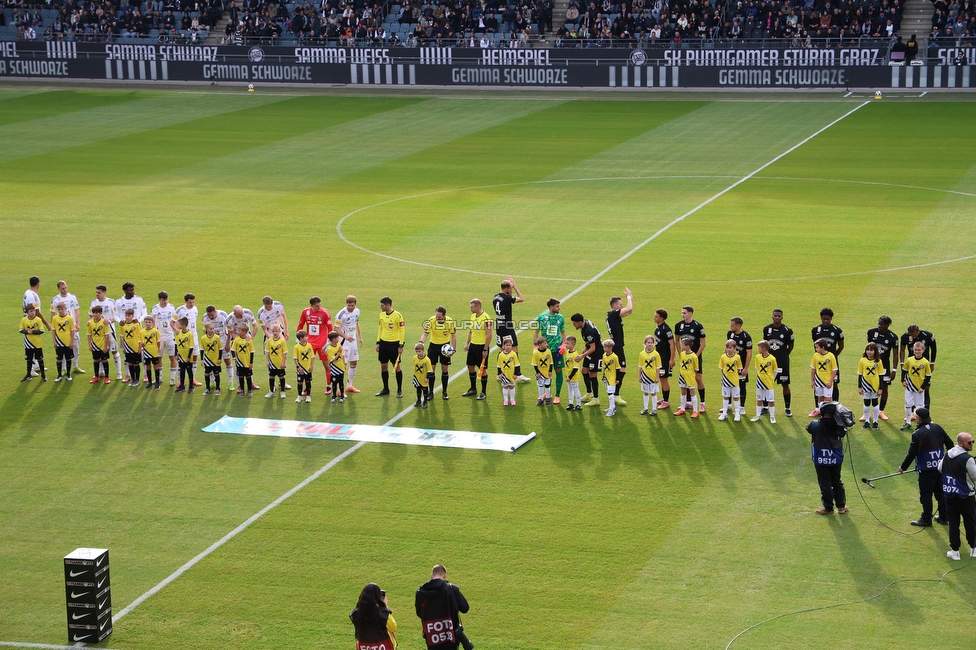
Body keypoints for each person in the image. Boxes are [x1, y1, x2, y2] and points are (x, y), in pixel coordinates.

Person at [898, 408, 952, 527]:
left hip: (926, 470)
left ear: (919, 419)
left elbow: (912, 453)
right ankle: (944, 517)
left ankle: (926, 519)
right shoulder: (937, 428)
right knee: (940, 493)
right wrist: (946, 461)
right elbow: (950, 444)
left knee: (926, 495)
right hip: (939, 468)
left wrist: (903, 467)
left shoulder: (917, 434)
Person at [938, 432, 976, 560]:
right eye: (969, 442)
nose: (971, 444)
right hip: (966, 496)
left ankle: (955, 551)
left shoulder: (948, 454)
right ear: (961, 443)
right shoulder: (968, 459)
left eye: (972, 442)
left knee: (954, 523)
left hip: (950, 495)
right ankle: (973, 549)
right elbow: (975, 476)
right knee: (970, 522)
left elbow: (939, 468)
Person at [806, 402, 848, 516]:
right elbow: (842, 433)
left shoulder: (815, 424)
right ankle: (841, 506)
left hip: (821, 458)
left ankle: (829, 508)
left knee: (825, 483)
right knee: (837, 481)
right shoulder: (839, 425)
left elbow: (809, 428)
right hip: (835, 458)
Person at [415, 564, 470, 650]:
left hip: (432, 637)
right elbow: (465, 608)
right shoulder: (451, 589)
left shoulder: (421, 593)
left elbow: (419, 613)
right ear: (444, 575)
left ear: (431, 576)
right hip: (450, 637)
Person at [420, 306, 457, 401]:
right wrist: (421, 343)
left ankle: (444, 392)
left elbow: (453, 335)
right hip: (433, 347)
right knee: (431, 370)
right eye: (436, 316)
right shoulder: (431, 320)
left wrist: (453, 348)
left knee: (444, 369)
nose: (437, 318)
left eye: (439, 317)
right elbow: (425, 334)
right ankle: (431, 392)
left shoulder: (449, 322)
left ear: (444, 315)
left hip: (445, 347)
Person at [298, 296, 333, 394]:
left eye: (320, 305)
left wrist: (328, 342)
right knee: (307, 366)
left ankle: (328, 386)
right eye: (317, 306)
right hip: (309, 344)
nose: (319, 307)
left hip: (322, 344)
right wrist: (298, 339)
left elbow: (330, 328)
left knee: (326, 365)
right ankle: (307, 388)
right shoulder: (305, 312)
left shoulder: (324, 312)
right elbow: (300, 325)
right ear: (311, 306)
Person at [762, 309, 794, 417]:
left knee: (785, 384)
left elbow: (791, 346)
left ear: (782, 317)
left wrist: (783, 355)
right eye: (775, 315)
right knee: (766, 384)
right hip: (769, 362)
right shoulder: (767, 329)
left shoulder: (787, 330)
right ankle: (765, 407)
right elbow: (765, 344)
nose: (777, 317)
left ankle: (787, 408)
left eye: (779, 316)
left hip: (782, 362)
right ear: (772, 316)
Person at [674, 306, 706, 412]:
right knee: (685, 377)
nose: (682, 315)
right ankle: (688, 402)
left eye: (685, 313)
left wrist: (695, 356)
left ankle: (702, 403)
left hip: (695, 356)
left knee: (698, 378)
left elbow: (703, 343)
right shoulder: (679, 325)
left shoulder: (698, 326)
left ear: (690, 314)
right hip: (685, 358)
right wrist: (680, 354)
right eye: (682, 313)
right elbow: (677, 341)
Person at [866, 315, 898, 421]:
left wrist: (894, 370)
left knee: (884, 388)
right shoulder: (871, 332)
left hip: (884, 368)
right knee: (868, 388)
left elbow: (895, 354)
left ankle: (880, 411)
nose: (879, 325)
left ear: (888, 325)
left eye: (882, 324)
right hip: (871, 366)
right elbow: (868, 350)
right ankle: (867, 412)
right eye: (879, 323)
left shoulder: (893, 337)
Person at [605, 289, 633, 405]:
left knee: (620, 370)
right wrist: (629, 297)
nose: (622, 306)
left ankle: (614, 392)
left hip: (617, 345)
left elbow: (629, 312)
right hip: (617, 346)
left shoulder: (613, 315)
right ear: (615, 305)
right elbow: (629, 308)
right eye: (620, 304)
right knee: (621, 369)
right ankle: (615, 394)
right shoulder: (613, 314)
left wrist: (630, 299)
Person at [536, 298, 566, 403]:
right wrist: (535, 346)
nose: (559, 308)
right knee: (545, 371)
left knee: (558, 371)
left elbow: (563, 332)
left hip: (557, 350)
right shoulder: (541, 318)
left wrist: (564, 345)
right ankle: (548, 393)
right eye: (557, 306)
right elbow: (536, 332)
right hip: (545, 350)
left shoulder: (561, 318)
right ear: (551, 307)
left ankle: (557, 395)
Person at [351, 583, 397, 650]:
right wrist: (385, 607)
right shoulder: (383, 613)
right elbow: (393, 627)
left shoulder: (356, 613)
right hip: (383, 646)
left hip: (363, 647)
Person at [900, 324, 937, 409]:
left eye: (913, 334)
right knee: (911, 389)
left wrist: (932, 363)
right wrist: (902, 362)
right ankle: (913, 413)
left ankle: (926, 412)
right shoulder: (905, 337)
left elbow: (934, 349)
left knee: (925, 388)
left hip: (924, 366)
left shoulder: (928, 336)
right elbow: (902, 350)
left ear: (918, 331)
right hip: (912, 366)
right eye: (910, 334)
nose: (912, 336)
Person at [811, 307, 844, 402]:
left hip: (832, 363)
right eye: (824, 319)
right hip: (819, 362)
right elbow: (815, 345)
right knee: (818, 384)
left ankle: (835, 405)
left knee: (834, 383)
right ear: (821, 318)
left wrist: (832, 356)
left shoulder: (837, 331)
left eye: (828, 319)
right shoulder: (815, 330)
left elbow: (841, 346)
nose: (826, 321)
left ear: (831, 319)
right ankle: (818, 408)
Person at [50, 280, 83, 374]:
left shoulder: (72, 297)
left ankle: (76, 365)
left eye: (65, 287)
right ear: (58, 289)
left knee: (76, 346)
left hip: (73, 326)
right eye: (62, 288)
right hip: (62, 328)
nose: (64, 290)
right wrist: (54, 327)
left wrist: (78, 323)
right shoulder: (55, 300)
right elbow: (52, 314)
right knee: (63, 347)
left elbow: (76, 311)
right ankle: (64, 368)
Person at [571, 313, 603, 407]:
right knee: (584, 371)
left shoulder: (589, 330)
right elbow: (588, 342)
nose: (574, 325)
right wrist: (584, 350)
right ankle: (589, 393)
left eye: (575, 323)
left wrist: (582, 356)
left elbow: (593, 347)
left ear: (580, 322)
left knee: (593, 375)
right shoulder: (583, 326)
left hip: (596, 353)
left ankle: (596, 398)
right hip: (590, 351)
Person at [116, 283, 147, 382]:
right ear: (125, 291)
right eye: (130, 290)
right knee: (126, 353)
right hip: (125, 329)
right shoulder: (119, 302)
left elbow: (145, 312)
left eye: (133, 290)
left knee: (141, 353)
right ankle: (128, 375)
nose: (132, 292)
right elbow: (115, 314)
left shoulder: (139, 299)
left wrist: (139, 320)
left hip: (137, 329)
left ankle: (145, 374)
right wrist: (119, 321)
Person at [462, 298, 492, 400]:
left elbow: (489, 335)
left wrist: (485, 349)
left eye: (472, 307)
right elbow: (471, 331)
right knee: (470, 366)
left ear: (478, 307)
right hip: (473, 346)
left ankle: (483, 392)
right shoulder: (472, 316)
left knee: (482, 369)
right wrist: (467, 343)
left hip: (481, 347)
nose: (470, 309)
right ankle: (473, 389)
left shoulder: (486, 318)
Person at [90, 284, 122, 381]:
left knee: (114, 350)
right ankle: (101, 372)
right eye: (96, 292)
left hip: (110, 331)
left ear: (104, 292)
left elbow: (117, 316)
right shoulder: (93, 303)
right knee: (98, 351)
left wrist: (110, 321)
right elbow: (90, 316)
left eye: (99, 292)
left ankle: (119, 372)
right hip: (97, 333)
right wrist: (89, 322)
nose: (97, 294)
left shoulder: (111, 302)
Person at [376, 296, 405, 398]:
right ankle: (385, 389)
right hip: (383, 343)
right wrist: (378, 342)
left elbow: (402, 330)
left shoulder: (398, 316)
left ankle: (399, 390)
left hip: (394, 344)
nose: (381, 307)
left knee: (396, 367)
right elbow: (380, 328)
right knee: (383, 366)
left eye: (382, 305)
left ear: (388, 305)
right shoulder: (381, 315)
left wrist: (401, 345)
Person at [226, 305, 259, 392]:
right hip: (236, 341)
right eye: (240, 315)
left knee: (248, 362)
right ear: (235, 314)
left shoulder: (248, 313)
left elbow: (255, 326)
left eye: (242, 314)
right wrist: (239, 340)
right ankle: (240, 386)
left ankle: (251, 382)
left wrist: (250, 337)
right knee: (238, 364)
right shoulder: (229, 320)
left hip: (247, 339)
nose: (242, 316)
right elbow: (231, 333)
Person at [901, 341, 932, 431]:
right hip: (909, 387)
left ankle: (920, 424)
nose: (917, 352)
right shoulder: (909, 360)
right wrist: (902, 380)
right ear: (913, 350)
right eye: (915, 350)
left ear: (923, 350)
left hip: (919, 388)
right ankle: (908, 422)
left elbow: (928, 376)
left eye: (919, 350)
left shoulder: (925, 362)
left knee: (919, 407)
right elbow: (904, 370)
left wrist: (923, 387)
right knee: (908, 404)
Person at [334, 296, 362, 393]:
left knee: (354, 362)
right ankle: (339, 390)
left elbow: (356, 323)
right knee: (343, 364)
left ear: (355, 304)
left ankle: (349, 386)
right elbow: (336, 328)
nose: (350, 307)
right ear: (346, 304)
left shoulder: (357, 311)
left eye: (352, 305)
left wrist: (360, 337)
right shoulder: (341, 314)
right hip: (344, 342)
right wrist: (346, 337)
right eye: (349, 305)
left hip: (352, 341)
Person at [152, 291, 179, 386]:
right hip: (159, 337)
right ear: (159, 299)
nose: (166, 301)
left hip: (170, 336)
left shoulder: (171, 308)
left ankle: (172, 378)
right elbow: (152, 322)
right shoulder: (155, 308)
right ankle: (159, 377)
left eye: (167, 299)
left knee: (173, 357)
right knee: (159, 357)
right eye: (163, 300)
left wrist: (175, 329)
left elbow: (174, 321)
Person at [727, 317, 752, 417]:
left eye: (732, 325)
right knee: (728, 385)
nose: (730, 326)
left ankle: (742, 407)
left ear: (738, 326)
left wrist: (746, 368)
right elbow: (726, 348)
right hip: (729, 366)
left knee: (742, 386)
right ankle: (728, 405)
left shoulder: (746, 337)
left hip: (740, 367)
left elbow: (749, 353)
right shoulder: (730, 334)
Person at [175, 293, 202, 387]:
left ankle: (193, 379)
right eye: (190, 302)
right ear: (185, 301)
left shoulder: (195, 309)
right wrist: (176, 330)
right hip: (183, 337)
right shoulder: (180, 310)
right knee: (182, 358)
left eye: (193, 302)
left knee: (195, 357)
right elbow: (173, 322)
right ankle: (180, 380)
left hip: (193, 335)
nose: (192, 304)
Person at [202, 305, 233, 384]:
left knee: (227, 360)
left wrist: (228, 343)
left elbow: (229, 329)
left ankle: (230, 382)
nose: (211, 317)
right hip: (211, 341)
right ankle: (212, 381)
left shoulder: (223, 315)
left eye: (212, 315)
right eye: (209, 315)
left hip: (223, 339)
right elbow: (204, 331)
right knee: (211, 361)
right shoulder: (205, 317)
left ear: (215, 311)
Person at [653, 308, 677, 409]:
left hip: (665, 357)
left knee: (664, 379)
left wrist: (671, 359)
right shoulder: (658, 328)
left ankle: (666, 401)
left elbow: (672, 344)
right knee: (662, 378)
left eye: (656, 316)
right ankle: (664, 398)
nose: (654, 317)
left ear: (661, 318)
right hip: (659, 357)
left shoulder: (666, 329)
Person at [751, 340, 780, 423]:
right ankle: (758, 415)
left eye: (759, 348)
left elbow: (775, 371)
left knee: (770, 400)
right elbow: (757, 369)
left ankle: (772, 416)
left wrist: (771, 379)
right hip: (760, 382)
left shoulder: (772, 359)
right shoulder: (757, 357)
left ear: (764, 349)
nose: (758, 349)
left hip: (769, 383)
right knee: (759, 399)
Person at [810, 338, 837, 417]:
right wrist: (812, 381)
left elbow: (834, 370)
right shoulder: (815, 356)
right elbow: (813, 369)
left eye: (817, 347)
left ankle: (830, 414)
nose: (816, 349)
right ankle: (822, 414)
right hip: (818, 381)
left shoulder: (831, 356)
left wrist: (830, 381)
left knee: (828, 399)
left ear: (823, 347)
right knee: (820, 398)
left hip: (827, 382)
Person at [857, 343, 882, 429]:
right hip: (865, 385)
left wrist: (880, 388)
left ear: (875, 351)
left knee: (875, 403)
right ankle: (867, 421)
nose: (869, 352)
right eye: (867, 350)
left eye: (871, 350)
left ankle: (875, 422)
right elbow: (860, 375)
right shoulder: (862, 360)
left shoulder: (878, 361)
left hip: (875, 385)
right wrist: (859, 387)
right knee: (866, 403)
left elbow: (881, 375)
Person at [51, 302, 77, 382]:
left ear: (65, 309)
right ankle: (59, 375)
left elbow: (73, 330)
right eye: (59, 309)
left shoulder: (69, 318)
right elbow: (53, 330)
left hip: (68, 342)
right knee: (59, 359)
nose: (60, 311)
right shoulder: (55, 318)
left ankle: (68, 374)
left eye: (62, 309)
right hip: (59, 342)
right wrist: (54, 341)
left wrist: (72, 341)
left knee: (68, 358)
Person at [718, 339, 744, 422]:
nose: (729, 349)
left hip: (735, 381)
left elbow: (739, 369)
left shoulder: (737, 357)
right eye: (727, 348)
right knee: (725, 397)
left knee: (736, 397)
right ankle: (724, 413)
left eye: (730, 348)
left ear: (734, 348)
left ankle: (737, 413)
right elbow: (722, 369)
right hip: (725, 380)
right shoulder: (723, 357)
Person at [19, 305, 47, 383]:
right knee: (29, 359)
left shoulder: (38, 320)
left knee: (40, 359)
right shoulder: (24, 320)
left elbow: (42, 331)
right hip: (28, 344)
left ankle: (43, 376)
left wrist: (33, 332)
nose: (33, 313)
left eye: (34, 311)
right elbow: (21, 330)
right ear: (27, 312)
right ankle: (28, 375)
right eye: (31, 311)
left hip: (37, 344)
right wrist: (27, 332)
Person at [675, 336, 700, 418]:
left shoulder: (694, 356)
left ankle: (695, 411)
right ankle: (682, 409)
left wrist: (692, 376)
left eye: (683, 345)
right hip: (682, 375)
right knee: (683, 392)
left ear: (688, 346)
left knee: (692, 393)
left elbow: (696, 369)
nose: (681, 346)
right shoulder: (682, 354)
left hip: (690, 377)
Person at [118, 308, 143, 387]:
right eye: (126, 315)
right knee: (130, 363)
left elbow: (140, 336)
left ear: (132, 316)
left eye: (129, 315)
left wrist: (140, 347)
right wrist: (123, 347)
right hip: (127, 347)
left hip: (135, 347)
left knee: (136, 364)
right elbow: (122, 337)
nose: (127, 317)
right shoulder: (123, 325)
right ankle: (133, 379)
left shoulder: (136, 324)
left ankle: (137, 380)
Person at [638, 334, 662, 416]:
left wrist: (657, 377)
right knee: (645, 392)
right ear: (645, 343)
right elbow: (640, 366)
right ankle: (645, 408)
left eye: (651, 342)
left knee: (653, 393)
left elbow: (658, 367)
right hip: (644, 376)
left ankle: (654, 409)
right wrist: (639, 376)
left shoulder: (656, 354)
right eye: (648, 342)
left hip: (653, 377)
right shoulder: (642, 354)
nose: (650, 344)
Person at [86, 305, 111, 384]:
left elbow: (107, 335)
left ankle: (107, 377)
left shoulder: (104, 322)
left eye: (97, 313)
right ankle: (96, 376)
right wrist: (90, 345)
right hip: (95, 344)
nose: (95, 314)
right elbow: (89, 334)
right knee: (96, 360)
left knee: (104, 360)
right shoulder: (90, 323)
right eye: (94, 313)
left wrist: (106, 346)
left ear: (100, 313)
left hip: (102, 344)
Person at [264, 324, 288, 399]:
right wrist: (267, 361)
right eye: (273, 331)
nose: (275, 333)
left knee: (281, 377)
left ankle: (282, 391)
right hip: (272, 363)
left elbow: (284, 353)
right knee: (271, 376)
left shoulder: (282, 341)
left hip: (280, 362)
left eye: (276, 331)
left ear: (279, 331)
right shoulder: (270, 340)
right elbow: (267, 351)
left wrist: (284, 362)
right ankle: (271, 391)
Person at [231, 323, 255, 398]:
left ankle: (250, 390)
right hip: (239, 363)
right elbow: (233, 349)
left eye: (239, 330)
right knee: (240, 377)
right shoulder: (236, 340)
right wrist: (234, 356)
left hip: (247, 363)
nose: (238, 332)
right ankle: (242, 391)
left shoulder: (249, 341)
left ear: (244, 332)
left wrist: (251, 363)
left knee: (248, 377)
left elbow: (252, 352)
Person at [200, 321, 223, 396]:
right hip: (207, 359)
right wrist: (202, 359)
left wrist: (219, 358)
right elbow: (202, 349)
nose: (212, 330)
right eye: (210, 329)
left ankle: (217, 388)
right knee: (207, 373)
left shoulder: (217, 337)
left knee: (216, 374)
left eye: (213, 328)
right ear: (206, 329)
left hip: (215, 359)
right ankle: (207, 388)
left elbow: (220, 348)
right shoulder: (203, 338)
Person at [497, 336, 520, 406]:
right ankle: (506, 400)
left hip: (511, 374)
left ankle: (512, 399)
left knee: (512, 386)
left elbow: (517, 365)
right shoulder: (500, 355)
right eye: (507, 345)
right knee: (505, 387)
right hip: (504, 374)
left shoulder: (513, 354)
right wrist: (499, 373)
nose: (508, 347)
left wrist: (516, 374)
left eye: (510, 345)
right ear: (503, 346)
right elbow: (498, 365)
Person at [141, 315, 162, 390]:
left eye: (149, 322)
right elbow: (141, 341)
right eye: (146, 322)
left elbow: (158, 341)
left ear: (153, 323)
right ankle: (149, 382)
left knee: (156, 366)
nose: (148, 323)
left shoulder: (155, 331)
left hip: (154, 352)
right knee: (148, 366)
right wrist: (142, 345)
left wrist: (158, 349)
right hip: (146, 352)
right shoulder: (142, 331)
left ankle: (157, 383)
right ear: (144, 322)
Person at [293, 330, 315, 403]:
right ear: (301, 338)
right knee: (300, 382)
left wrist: (311, 366)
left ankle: (308, 396)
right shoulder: (296, 347)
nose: (307, 337)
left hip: (308, 368)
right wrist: (298, 367)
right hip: (301, 368)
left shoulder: (309, 345)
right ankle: (299, 396)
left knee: (308, 381)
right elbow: (295, 358)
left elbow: (312, 357)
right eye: (305, 336)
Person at [175, 317, 195, 394]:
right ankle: (182, 385)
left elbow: (191, 346)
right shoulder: (178, 332)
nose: (178, 326)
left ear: (183, 325)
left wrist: (189, 357)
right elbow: (176, 344)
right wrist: (176, 354)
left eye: (179, 324)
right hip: (180, 355)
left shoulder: (189, 334)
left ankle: (191, 386)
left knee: (189, 371)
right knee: (182, 371)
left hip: (187, 356)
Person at [532, 336, 554, 407]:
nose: (546, 344)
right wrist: (537, 372)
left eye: (546, 343)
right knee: (540, 386)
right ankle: (541, 399)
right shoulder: (536, 353)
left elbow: (551, 362)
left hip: (547, 372)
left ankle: (547, 399)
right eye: (544, 343)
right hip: (540, 374)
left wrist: (550, 371)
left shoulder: (548, 351)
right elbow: (534, 364)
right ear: (539, 344)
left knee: (547, 386)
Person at [601, 339, 620, 417]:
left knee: (610, 394)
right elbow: (604, 367)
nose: (604, 348)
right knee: (608, 393)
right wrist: (603, 376)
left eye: (605, 347)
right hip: (607, 377)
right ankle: (612, 407)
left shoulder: (615, 357)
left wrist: (617, 378)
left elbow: (618, 368)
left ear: (610, 348)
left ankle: (612, 410)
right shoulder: (604, 355)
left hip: (612, 378)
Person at [563, 335, 582, 411]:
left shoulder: (575, 355)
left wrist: (570, 377)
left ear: (573, 344)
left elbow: (575, 368)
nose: (566, 345)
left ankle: (579, 405)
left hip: (573, 376)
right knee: (569, 389)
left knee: (575, 389)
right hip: (568, 375)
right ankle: (570, 403)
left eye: (567, 343)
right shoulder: (567, 352)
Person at [326, 330, 346, 402]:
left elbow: (343, 355)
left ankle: (342, 396)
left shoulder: (338, 345)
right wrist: (339, 352)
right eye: (337, 338)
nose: (338, 339)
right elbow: (332, 360)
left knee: (341, 382)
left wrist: (344, 364)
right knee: (334, 382)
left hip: (341, 367)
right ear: (334, 339)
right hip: (334, 368)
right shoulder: (329, 348)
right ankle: (334, 396)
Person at [412, 341, 432, 408]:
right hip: (417, 377)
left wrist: (427, 377)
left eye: (419, 351)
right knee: (418, 389)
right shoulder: (415, 358)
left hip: (423, 378)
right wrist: (414, 375)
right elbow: (414, 367)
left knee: (425, 389)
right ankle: (418, 400)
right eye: (417, 351)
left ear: (423, 350)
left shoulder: (427, 360)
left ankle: (425, 401)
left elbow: (429, 370)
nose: (418, 353)